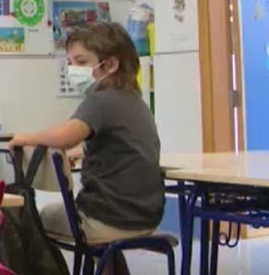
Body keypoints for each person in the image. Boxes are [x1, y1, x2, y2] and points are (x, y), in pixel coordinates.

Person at [9, 22, 164, 272]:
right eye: (70, 62)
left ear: (110, 65)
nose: (73, 70)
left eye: (81, 62)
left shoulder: (101, 100)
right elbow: (123, 146)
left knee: (33, 219)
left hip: (104, 219)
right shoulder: (135, 102)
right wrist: (82, 152)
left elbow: (69, 134)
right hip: (145, 217)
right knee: (96, 238)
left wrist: (29, 138)